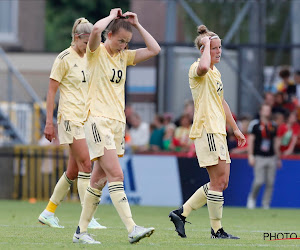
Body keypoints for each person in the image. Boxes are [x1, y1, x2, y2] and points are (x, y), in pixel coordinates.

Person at [72, 8, 160, 244]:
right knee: (116, 174)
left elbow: (155, 49)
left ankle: (80, 232)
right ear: (109, 36)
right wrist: (112, 16)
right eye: (120, 40)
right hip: (97, 120)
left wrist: (138, 25)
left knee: (98, 181)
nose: (124, 45)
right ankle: (132, 228)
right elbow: (97, 29)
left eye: (127, 42)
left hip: (116, 124)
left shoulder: (124, 57)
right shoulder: (95, 52)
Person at [169, 25, 246, 239]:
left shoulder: (216, 71)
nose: (219, 51)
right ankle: (216, 230)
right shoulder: (197, 68)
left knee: (221, 183)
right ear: (204, 49)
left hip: (217, 131)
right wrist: (204, 46)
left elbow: (222, 102)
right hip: (207, 130)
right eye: (214, 48)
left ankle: (181, 214)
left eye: (220, 47)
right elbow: (203, 66)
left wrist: (236, 129)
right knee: (218, 182)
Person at [38, 17, 105, 229]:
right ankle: (88, 217)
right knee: (87, 164)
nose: (89, 47)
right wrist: (49, 122)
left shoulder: (91, 56)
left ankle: (48, 212)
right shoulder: (64, 58)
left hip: (86, 118)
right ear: (77, 38)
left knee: (74, 171)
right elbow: (51, 91)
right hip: (69, 118)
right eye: (86, 43)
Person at [247, 104, 281, 209]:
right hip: (259, 156)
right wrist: (250, 156)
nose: (267, 112)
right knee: (259, 180)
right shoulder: (255, 124)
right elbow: (251, 141)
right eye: (265, 110)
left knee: (270, 182)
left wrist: (278, 157)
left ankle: (266, 203)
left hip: (271, 157)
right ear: (261, 111)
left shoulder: (273, 125)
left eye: (268, 110)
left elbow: (275, 142)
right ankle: (252, 198)